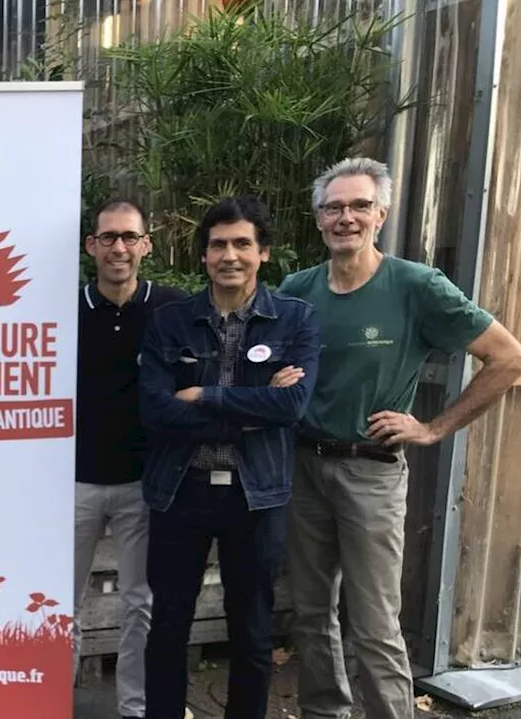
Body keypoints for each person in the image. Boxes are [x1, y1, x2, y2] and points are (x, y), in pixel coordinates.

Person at [278, 158, 521, 719]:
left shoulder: (415, 286)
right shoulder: (297, 290)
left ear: (381, 215)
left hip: (371, 472)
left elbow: (509, 359)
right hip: (303, 467)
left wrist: (433, 427)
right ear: (318, 219)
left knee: (373, 622)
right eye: (334, 207)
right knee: (311, 613)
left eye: (359, 205)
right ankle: (325, 712)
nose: (346, 217)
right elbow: (276, 369)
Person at [137, 196, 321, 719]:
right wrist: (255, 404)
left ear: (263, 253)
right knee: (168, 625)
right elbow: (155, 412)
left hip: (255, 495)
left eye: (242, 243)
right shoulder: (170, 322)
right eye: (218, 244)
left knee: (253, 631)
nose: (230, 255)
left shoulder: (296, 320)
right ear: (204, 257)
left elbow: (292, 405)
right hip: (179, 490)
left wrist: (204, 395)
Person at [72, 199, 186, 718]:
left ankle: (134, 709)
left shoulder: (172, 309)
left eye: (129, 237)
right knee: (59, 605)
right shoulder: (66, 310)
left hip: (145, 483)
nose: (119, 247)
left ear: (146, 244)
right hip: (75, 483)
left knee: (140, 603)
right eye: (108, 237)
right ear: (91, 245)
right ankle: (54, 703)